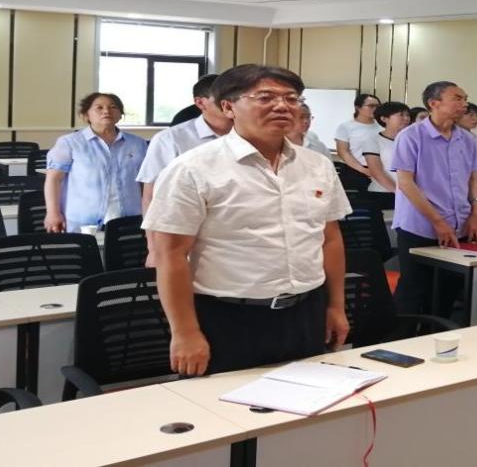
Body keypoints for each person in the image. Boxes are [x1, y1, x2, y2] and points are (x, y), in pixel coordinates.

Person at [143, 64, 351, 376]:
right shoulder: (192, 169)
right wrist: (184, 332)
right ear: (228, 107)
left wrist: (335, 306)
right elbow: (170, 254)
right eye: (265, 98)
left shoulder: (318, 165)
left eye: (291, 98)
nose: (282, 106)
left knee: (307, 400)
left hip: (307, 312)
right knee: (222, 403)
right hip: (228, 317)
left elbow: (330, 239)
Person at [391, 81, 477, 318]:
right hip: (419, 227)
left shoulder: (467, 139)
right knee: (413, 290)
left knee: (447, 290)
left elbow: (473, 179)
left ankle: (436, 334)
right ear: (434, 103)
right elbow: (406, 183)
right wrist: (437, 221)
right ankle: (401, 337)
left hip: (458, 226)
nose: (464, 104)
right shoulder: (411, 136)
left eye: (465, 99)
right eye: (457, 99)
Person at [44, 92, 149, 233]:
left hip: (129, 220)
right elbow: (54, 179)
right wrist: (53, 213)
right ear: (86, 115)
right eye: (99, 107)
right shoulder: (70, 143)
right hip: (83, 222)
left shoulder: (138, 144)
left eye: (113, 107)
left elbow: (146, 182)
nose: (106, 111)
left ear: (120, 115)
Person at [137, 74, 232, 215]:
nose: (232, 104)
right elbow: (151, 194)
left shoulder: (250, 134)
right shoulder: (170, 139)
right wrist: (151, 228)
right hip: (187, 221)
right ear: (200, 103)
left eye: (237, 98)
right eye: (223, 99)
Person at [361, 101, 410, 195]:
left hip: (410, 194)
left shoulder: (411, 141)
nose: (406, 118)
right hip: (383, 193)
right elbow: (377, 172)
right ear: (384, 118)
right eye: (401, 115)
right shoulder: (373, 140)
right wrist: (399, 193)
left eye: (407, 115)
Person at [334, 93, 382, 177]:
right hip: (355, 171)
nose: (375, 109)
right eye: (371, 106)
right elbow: (343, 152)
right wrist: (364, 170)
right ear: (358, 107)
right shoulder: (346, 126)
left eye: (377, 106)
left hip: (379, 171)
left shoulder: (382, 126)